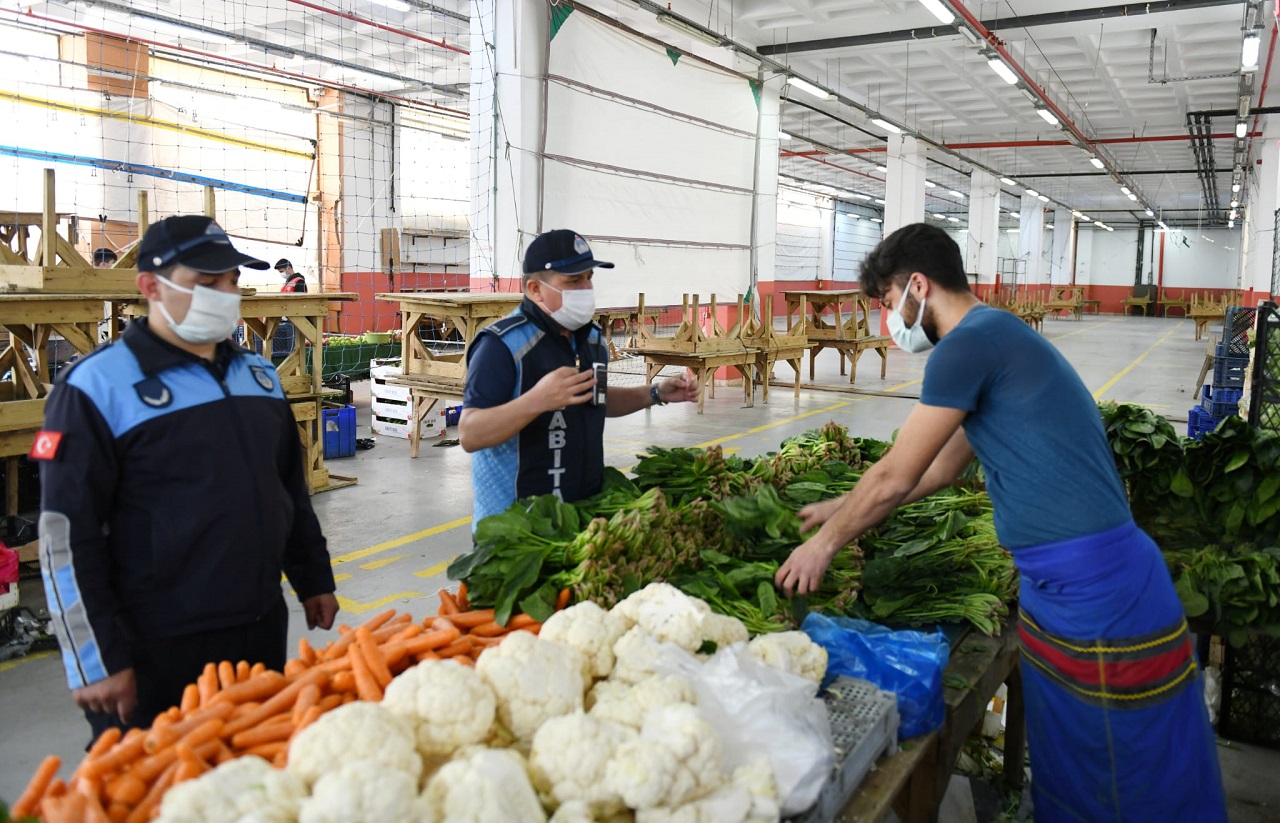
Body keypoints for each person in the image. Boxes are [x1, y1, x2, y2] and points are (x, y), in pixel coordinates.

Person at [775, 223, 1226, 822]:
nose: (890, 322)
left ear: (917, 285)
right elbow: (937, 470)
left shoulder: (966, 347)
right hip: (1076, 581)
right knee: (1081, 759)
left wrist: (825, 545)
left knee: (1119, 772)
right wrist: (840, 507)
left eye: (888, 305)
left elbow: (898, 476)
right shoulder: (996, 333)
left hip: (1094, 588)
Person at [34, 215, 339, 738]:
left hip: (259, 626)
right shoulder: (95, 388)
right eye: (207, 283)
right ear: (151, 287)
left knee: (252, 782)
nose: (226, 295)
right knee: (155, 793)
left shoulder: (259, 377)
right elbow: (66, 536)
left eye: (233, 282)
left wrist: (313, 579)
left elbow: (288, 488)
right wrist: (95, 658)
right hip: (154, 645)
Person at [459, 229, 698, 524]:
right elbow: (470, 434)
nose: (585, 288)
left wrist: (654, 393)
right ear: (534, 289)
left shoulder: (592, 340)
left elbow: (594, 397)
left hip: (581, 519)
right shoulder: (501, 346)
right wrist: (537, 400)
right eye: (573, 281)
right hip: (519, 532)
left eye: (588, 278)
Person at [272, 259, 306, 358]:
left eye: (282, 271)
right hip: (285, 319)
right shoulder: (287, 283)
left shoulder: (299, 282)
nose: (281, 274)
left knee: (293, 348)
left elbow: (301, 302)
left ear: (289, 268)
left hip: (294, 320)